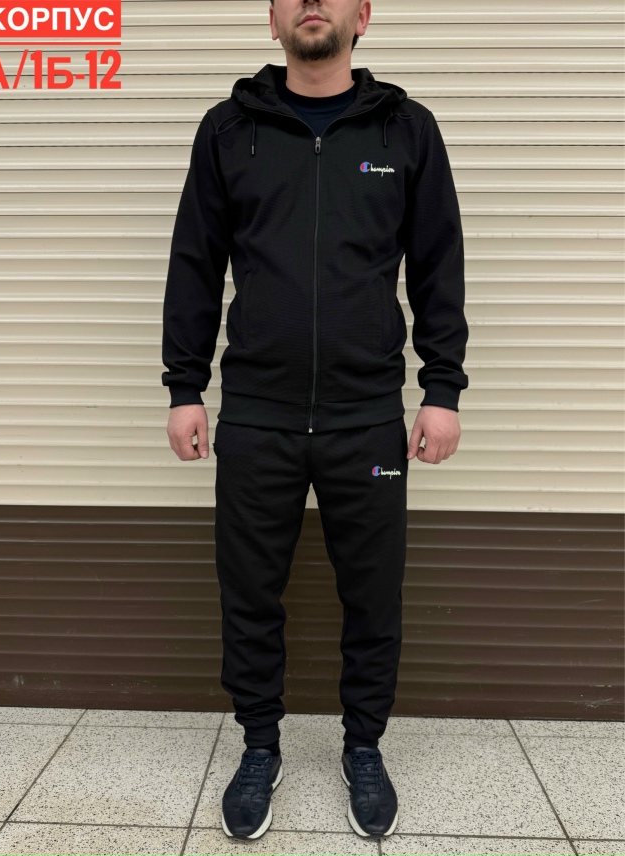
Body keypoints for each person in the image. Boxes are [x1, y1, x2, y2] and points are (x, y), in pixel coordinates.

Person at [161, 0, 469, 842]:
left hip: (365, 417)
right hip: (256, 415)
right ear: (271, 21)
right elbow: (195, 262)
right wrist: (184, 387)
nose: (310, 3)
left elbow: (438, 264)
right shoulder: (229, 131)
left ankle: (363, 746)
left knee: (372, 594)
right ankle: (260, 745)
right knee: (248, 591)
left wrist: (443, 389)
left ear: (361, 16)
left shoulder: (407, 131)